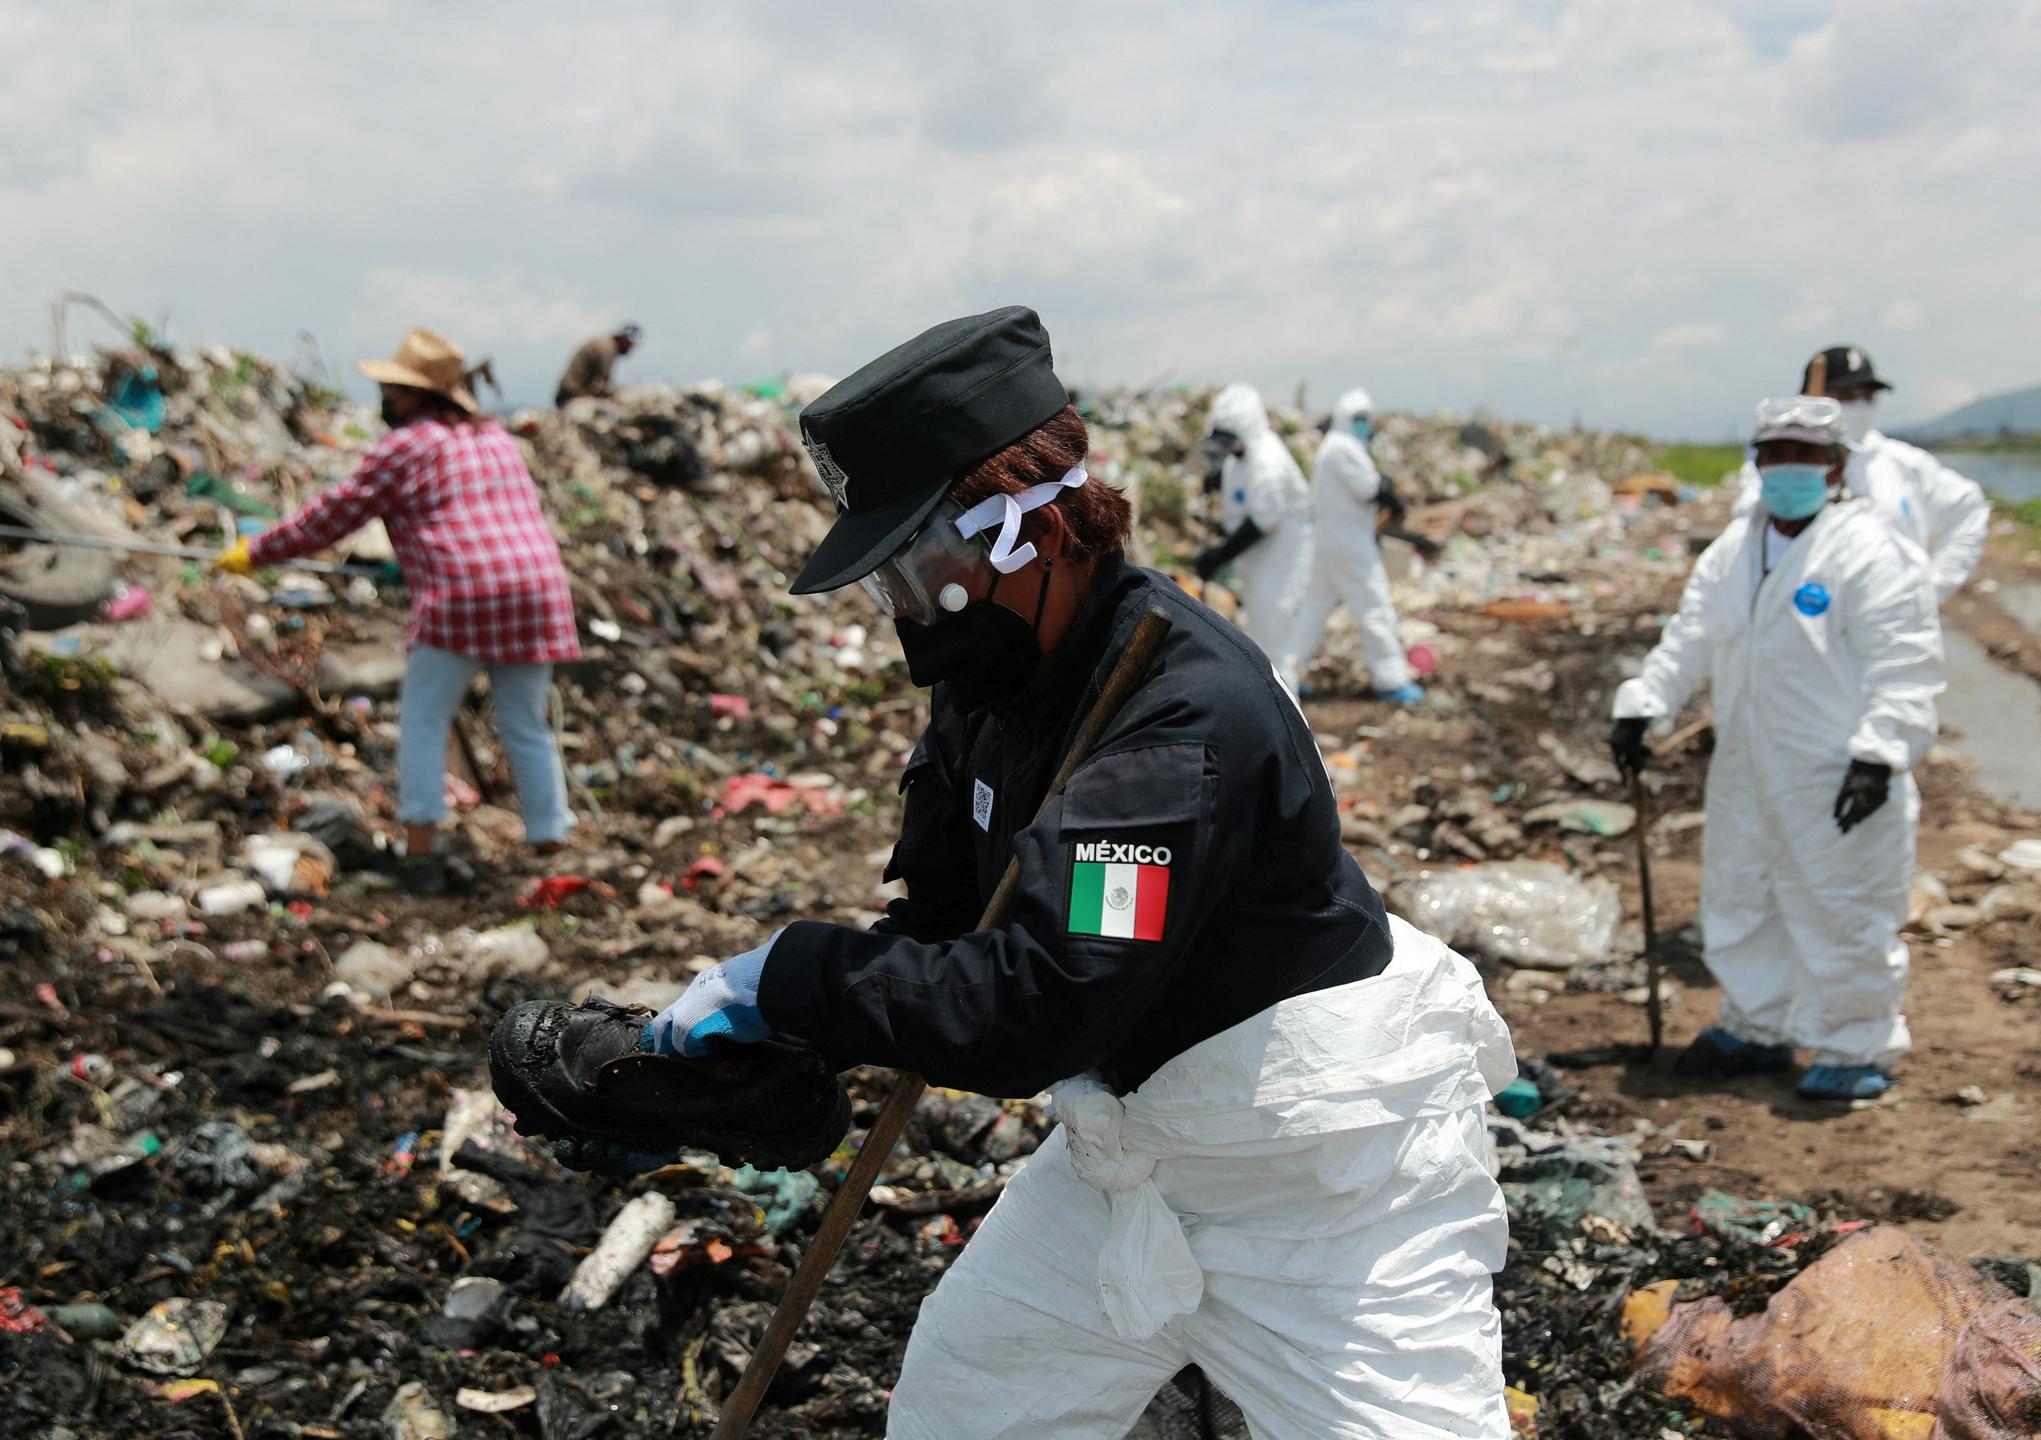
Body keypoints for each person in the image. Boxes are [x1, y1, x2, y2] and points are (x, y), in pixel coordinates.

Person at [501, 307, 1516, 1436]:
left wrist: (792, 977)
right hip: (1127, 1152)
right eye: (881, 580)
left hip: (1321, 1181)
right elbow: (942, 920)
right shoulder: (992, 684)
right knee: (967, 1403)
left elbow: (1040, 1005)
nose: (900, 612)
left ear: (1021, 530)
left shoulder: (1175, 728)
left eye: (914, 567)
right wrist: (784, 1039)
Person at [1611, 396, 1943, 1101]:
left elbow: (1905, 663)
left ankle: (1855, 1044)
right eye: (1776, 454)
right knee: (1741, 896)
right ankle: (1755, 1026)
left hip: (1835, 768)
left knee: (1843, 906)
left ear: (1836, 465)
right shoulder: (1734, 550)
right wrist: (1644, 705)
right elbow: (1691, 637)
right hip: (1746, 765)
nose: (1789, 468)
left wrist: (1881, 753)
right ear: (1756, 461)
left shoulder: (1870, 551)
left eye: (1806, 456)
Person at [216, 327, 579, 892]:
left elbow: (334, 516)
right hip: (536, 587)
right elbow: (468, 515)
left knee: (423, 721)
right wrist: (404, 561)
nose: (386, 398)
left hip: (463, 592)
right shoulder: (494, 437)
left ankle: (421, 846)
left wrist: (256, 552)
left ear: (415, 396)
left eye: (393, 389)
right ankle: (549, 835)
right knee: (525, 722)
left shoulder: (407, 444)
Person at [1733, 346, 1989, 602]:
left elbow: (1968, 507)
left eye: (1867, 397)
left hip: (1888, 613)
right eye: (1845, 396)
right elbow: (1748, 528)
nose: (1859, 405)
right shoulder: (1777, 468)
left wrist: (1934, 586)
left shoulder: (1904, 464)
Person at [1287, 387, 1419, 701]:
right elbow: (1368, 488)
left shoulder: (1336, 446)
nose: (1363, 424)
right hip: (1348, 545)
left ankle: (1286, 677)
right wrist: (1389, 491)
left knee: (1312, 612)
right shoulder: (1343, 447)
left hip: (1327, 544)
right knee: (1374, 608)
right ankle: (1392, 680)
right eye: (1357, 418)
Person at [1189, 382, 1313, 686]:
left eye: (1230, 442)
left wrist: (1218, 556)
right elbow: (1237, 476)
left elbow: (1260, 523)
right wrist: (1216, 480)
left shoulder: (1268, 464)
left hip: (1280, 561)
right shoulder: (1243, 453)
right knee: (1264, 630)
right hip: (1260, 560)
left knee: (1273, 639)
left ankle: (1286, 711)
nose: (1226, 449)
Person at [554, 323, 642, 407]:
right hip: (571, 394)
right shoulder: (608, 348)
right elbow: (605, 381)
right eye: (630, 344)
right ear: (623, 339)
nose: (630, 348)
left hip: (569, 391)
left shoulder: (604, 343)